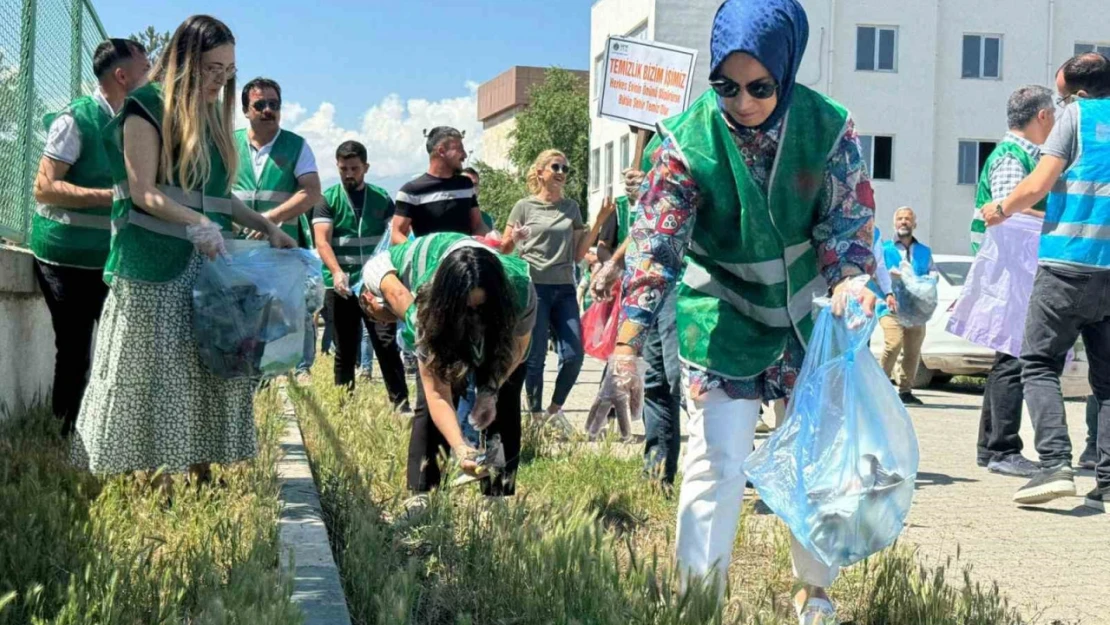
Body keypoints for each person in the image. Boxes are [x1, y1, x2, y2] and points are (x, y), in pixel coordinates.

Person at [604, 1, 878, 621]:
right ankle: (698, 601)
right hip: (722, 319)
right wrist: (625, 345)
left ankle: (814, 587)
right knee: (716, 462)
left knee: (813, 458)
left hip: (810, 318)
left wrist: (853, 280)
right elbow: (655, 247)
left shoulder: (827, 127)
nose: (744, 102)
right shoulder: (684, 141)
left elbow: (846, 222)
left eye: (760, 88)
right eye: (726, 86)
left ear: (787, 70)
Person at [71, 15, 297, 486]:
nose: (221, 80)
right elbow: (142, 190)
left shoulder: (212, 118)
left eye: (228, 71)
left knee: (203, 369)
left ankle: (200, 468)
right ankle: (153, 478)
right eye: (212, 69)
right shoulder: (144, 107)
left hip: (203, 268)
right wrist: (196, 224)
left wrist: (265, 225)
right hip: (151, 268)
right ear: (185, 62)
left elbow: (216, 196)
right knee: (152, 377)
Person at [981, 52, 1110, 512]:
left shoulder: (1074, 116)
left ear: (1075, 91)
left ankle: (1055, 464)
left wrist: (1000, 209)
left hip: (1067, 265)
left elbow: (1039, 181)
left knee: (1037, 363)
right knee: (1108, 381)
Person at [30, 38, 149, 437]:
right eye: (144, 69)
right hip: (63, 258)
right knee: (75, 349)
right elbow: (44, 189)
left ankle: (106, 432)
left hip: (108, 259)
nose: (149, 76)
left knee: (121, 348)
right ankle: (64, 432)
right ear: (121, 76)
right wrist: (112, 197)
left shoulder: (136, 120)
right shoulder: (76, 120)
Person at [358, 232, 536, 499]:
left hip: (479, 294)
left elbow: (518, 348)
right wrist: (461, 447)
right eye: (467, 310)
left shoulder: (519, 290)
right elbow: (438, 393)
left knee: (506, 396)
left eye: (481, 308)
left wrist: (489, 390)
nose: (473, 318)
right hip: (419, 291)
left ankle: (499, 494)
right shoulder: (422, 311)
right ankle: (423, 495)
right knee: (430, 403)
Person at [948, 85, 1055, 478]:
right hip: (1012, 270)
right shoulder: (1013, 158)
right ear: (1042, 116)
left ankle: (992, 447)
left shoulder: (1020, 155)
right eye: (1054, 117)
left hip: (1013, 270)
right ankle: (1002, 449)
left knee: (1007, 357)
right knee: (1014, 356)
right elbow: (1013, 216)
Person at [501, 150, 614, 433]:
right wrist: (514, 238)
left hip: (564, 288)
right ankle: (536, 417)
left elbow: (578, 254)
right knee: (535, 356)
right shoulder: (523, 207)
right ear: (540, 172)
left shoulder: (571, 208)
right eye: (556, 166)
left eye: (566, 168)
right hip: (533, 287)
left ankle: (554, 409)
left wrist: (598, 221)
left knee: (574, 354)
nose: (562, 172)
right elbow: (503, 248)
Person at [590, 166, 684, 486]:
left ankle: (727, 465)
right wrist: (616, 264)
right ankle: (657, 479)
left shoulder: (688, 135)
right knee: (656, 383)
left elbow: (691, 202)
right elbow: (646, 225)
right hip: (650, 280)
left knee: (683, 380)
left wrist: (654, 191)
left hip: (687, 281)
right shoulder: (650, 146)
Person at [232, 77, 322, 379]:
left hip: (280, 251)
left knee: (284, 318)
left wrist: (269, 220)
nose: (268, 110)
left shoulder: (296, 146)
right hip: (236, 251)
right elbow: (214, 189)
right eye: (260, 104)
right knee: (239, 319)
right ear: (246, 109)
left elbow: (311, 192)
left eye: (274, 104)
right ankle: (248, 379)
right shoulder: (228, 144)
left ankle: (293, 372)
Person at [312, 141, 409, 411]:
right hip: (340, 286)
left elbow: (395, 236)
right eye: (344, 168)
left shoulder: (380, 198)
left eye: (355, 168)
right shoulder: (327, 200)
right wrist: (336, 272)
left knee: (386, 344)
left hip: (376, 286)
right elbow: (322, 241)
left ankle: (400, 404)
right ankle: (344, 405)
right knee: (345, 348)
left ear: (366, 167)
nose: (349, 174)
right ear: (337, 167)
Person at [879, 207, 937, 406]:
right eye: (900, 219)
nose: (904, 222)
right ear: (895, 224)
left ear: (914, 224)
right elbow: (876, 273)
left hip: (915, 308)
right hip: (891, 305)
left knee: (913, 350)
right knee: (893, 344)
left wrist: (928, 281)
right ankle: (880, 385)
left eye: (908, 219)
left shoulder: (923, 251)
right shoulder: (885, 249)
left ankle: (905, 390)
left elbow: (933, 273)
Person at [390, 127, 488, 243]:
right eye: (460, 149)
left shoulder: (465, 185)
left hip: (464, 259)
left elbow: (478, 225)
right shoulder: (411, 191)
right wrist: (418, 253)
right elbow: (397, 234)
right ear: (441, 151)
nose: (465, 155)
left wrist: (490, 241)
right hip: (430, 260)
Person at [461, 166, 496, 232]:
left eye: (475, 184)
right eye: (466, 183)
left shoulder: (487, 220)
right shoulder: (447, 216)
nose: (471, 188)